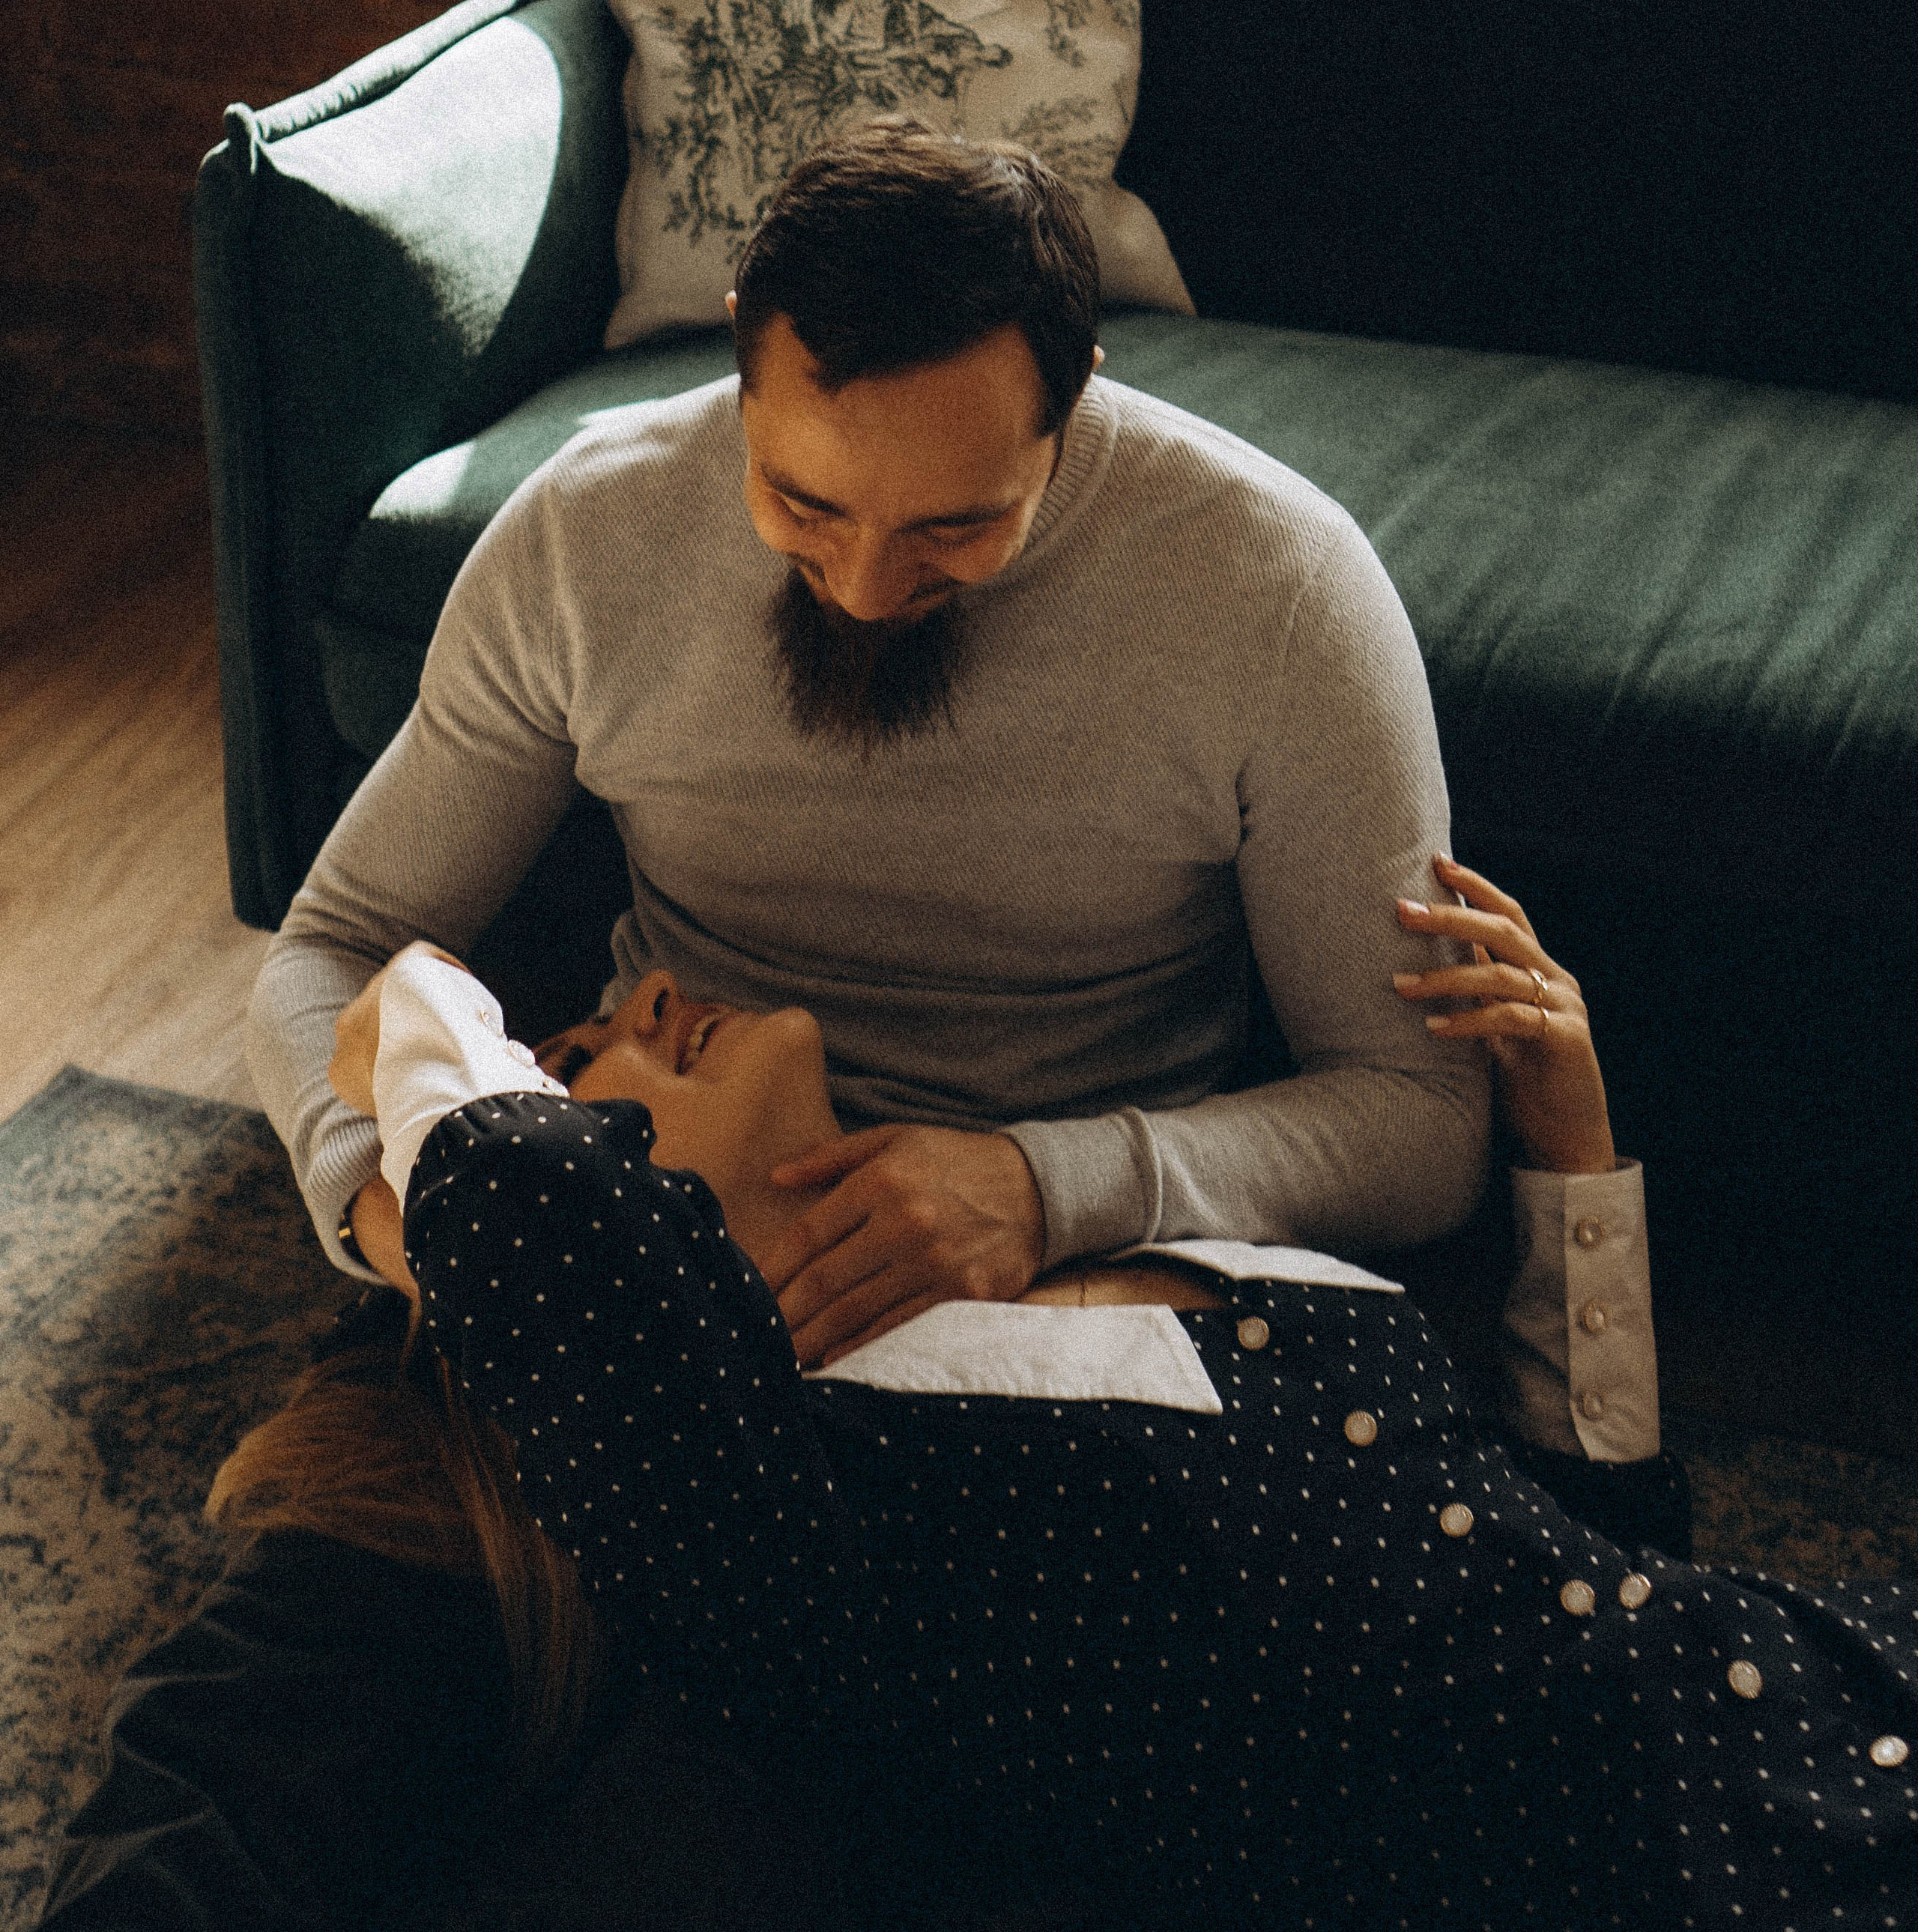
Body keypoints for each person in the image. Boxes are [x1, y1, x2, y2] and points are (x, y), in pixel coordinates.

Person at [43, 875, 1916, 1929]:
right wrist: (412, 1029)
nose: (644, 998)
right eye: (577, 1053)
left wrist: (1569, 1164)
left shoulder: (1114, 1258)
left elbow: (1581, 1559)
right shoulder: (794, 1511)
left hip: (1830, 1680)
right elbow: (539, 1217)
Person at [250, 120, 1492, 1364]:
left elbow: (1422, 1119)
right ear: (742, 355)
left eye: (956, 526)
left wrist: (1047, 1187)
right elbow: (333, 946)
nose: (860, 583)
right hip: (654, 1238)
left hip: (1068, 1273)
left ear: (1076, 394)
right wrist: (396, 1227)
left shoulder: (1280, 588)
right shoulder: (587, 534)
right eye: (801, 502)